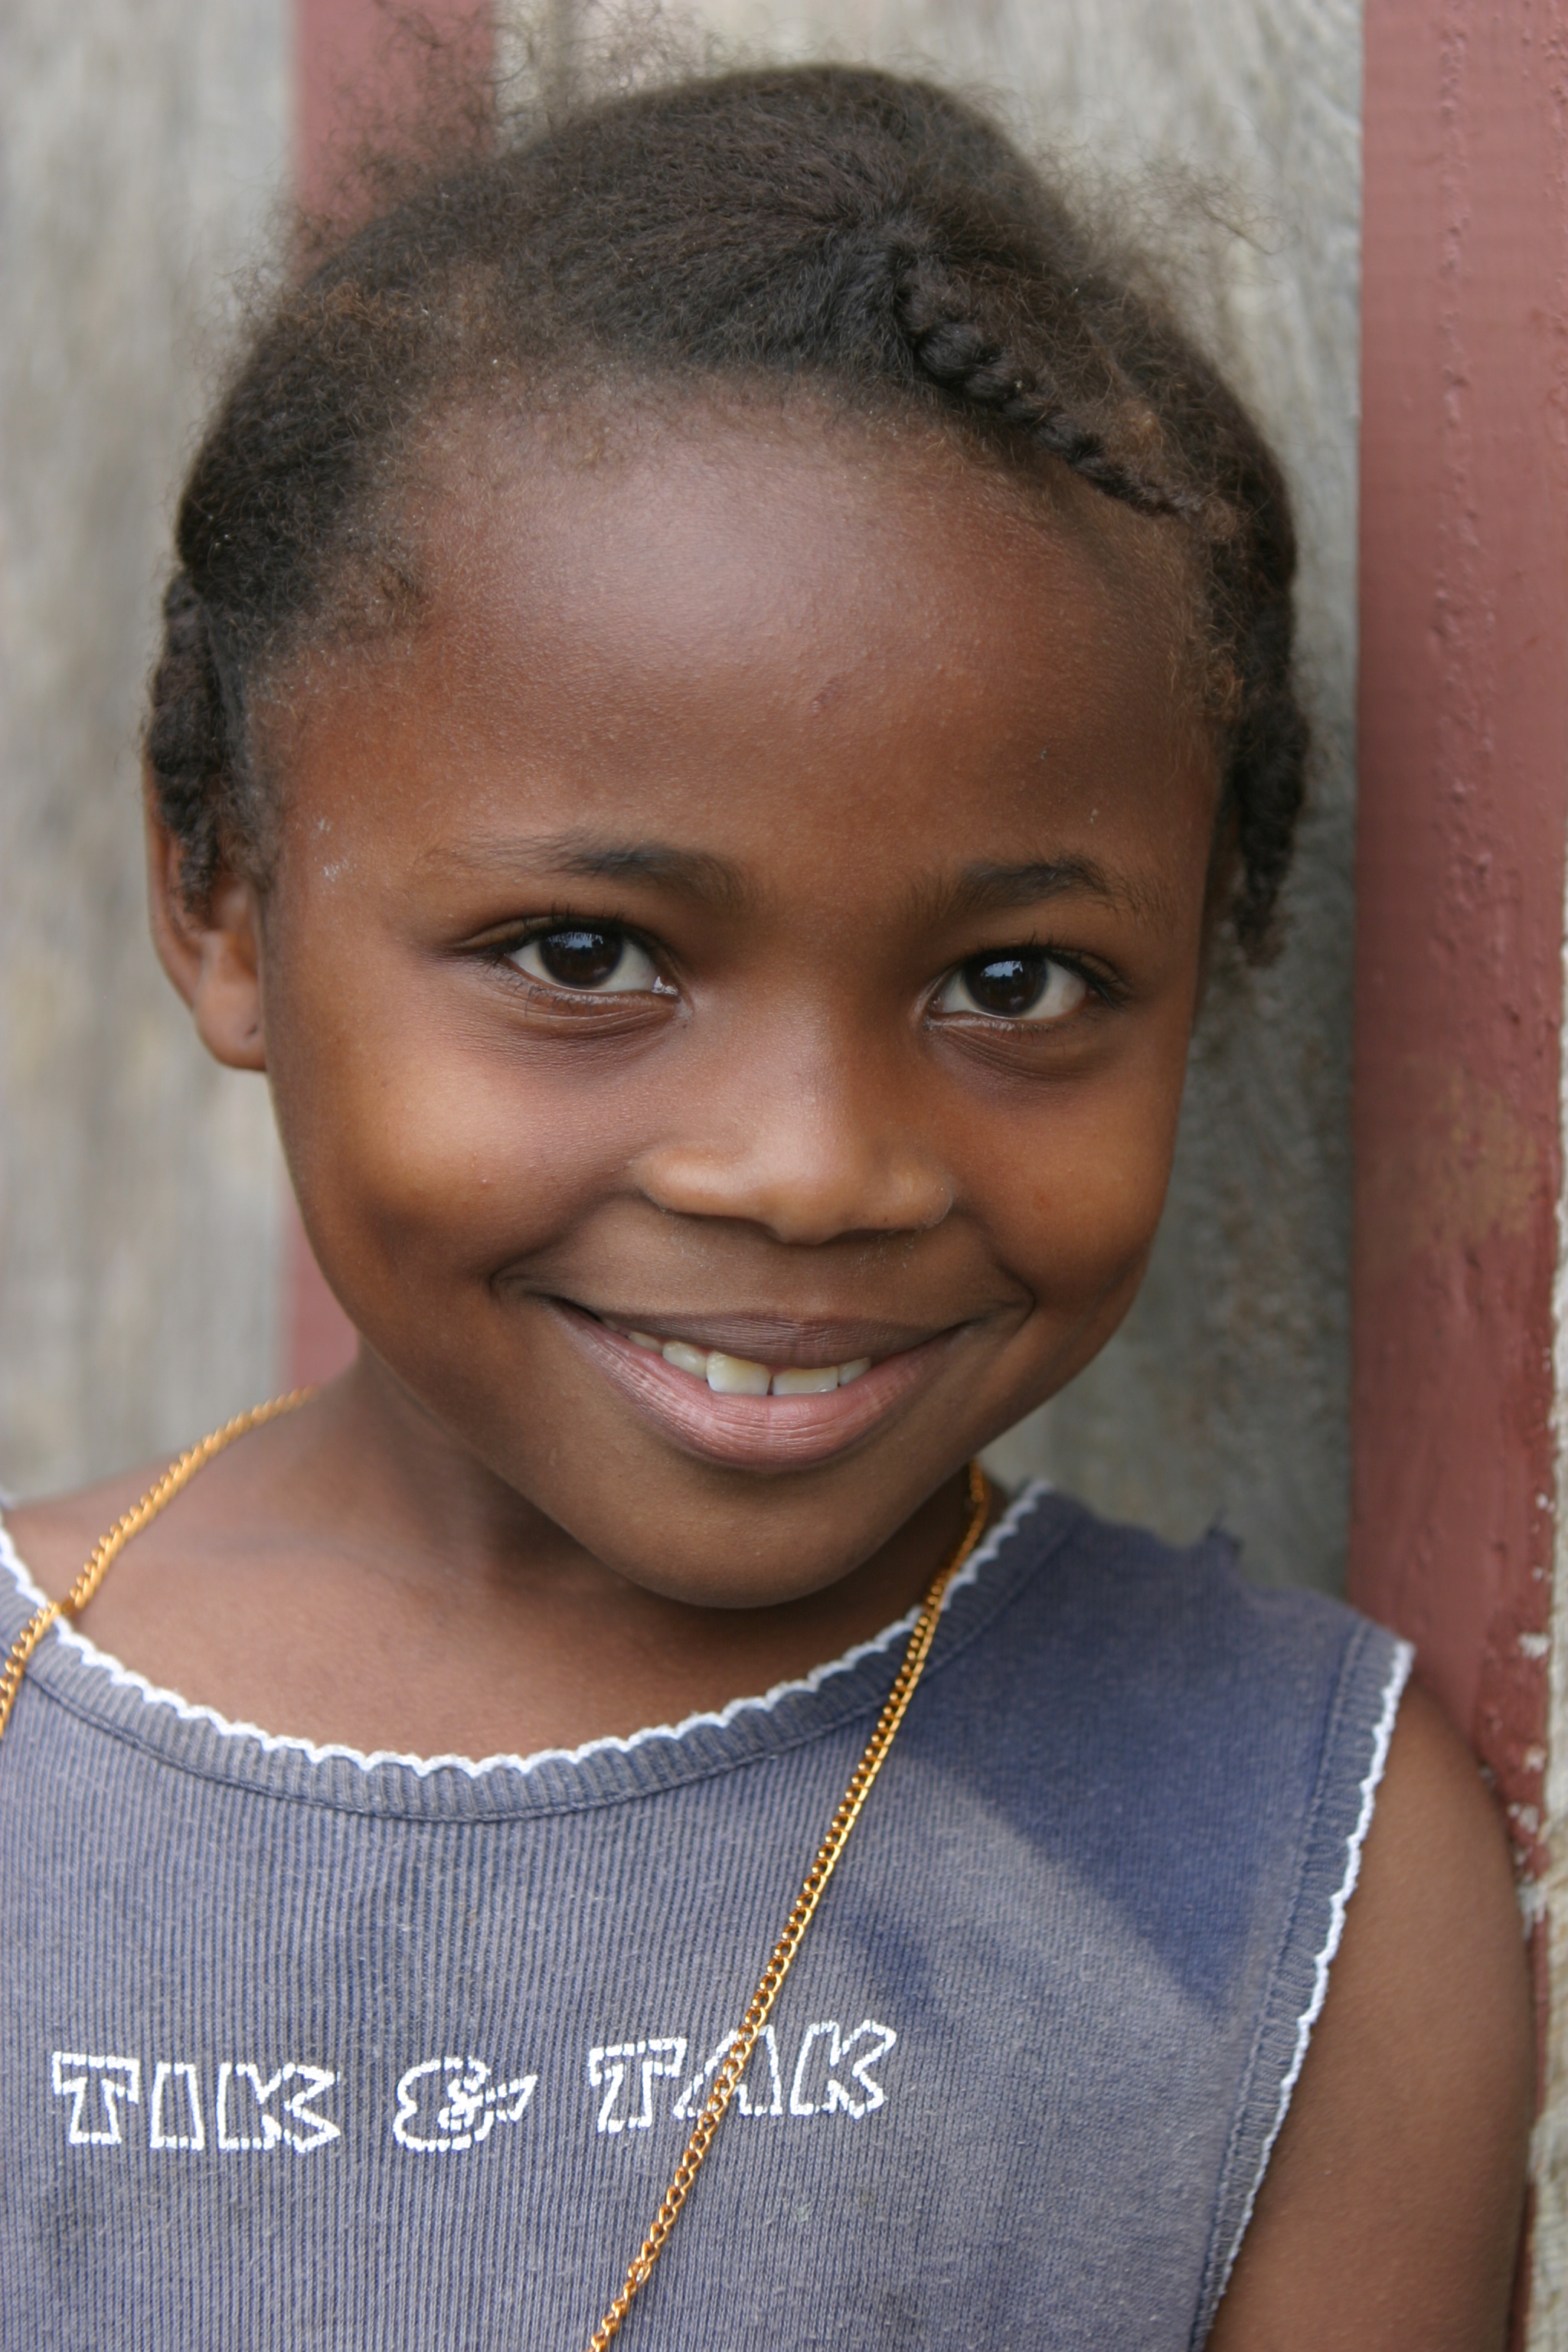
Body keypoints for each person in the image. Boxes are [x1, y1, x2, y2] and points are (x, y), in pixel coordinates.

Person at [0, 59, 1531, 2350]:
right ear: (221, 893)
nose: (814, 1170)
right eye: (586, 957)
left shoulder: (1283, 1861)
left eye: (1016, 982)